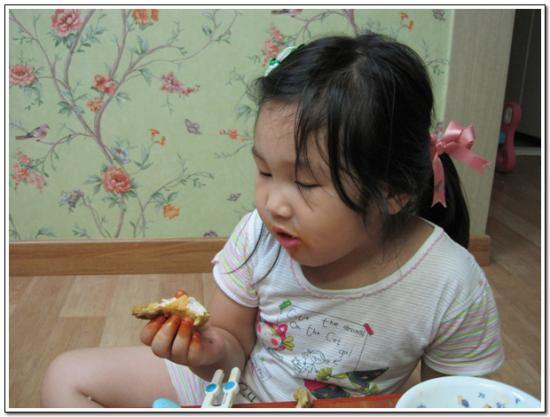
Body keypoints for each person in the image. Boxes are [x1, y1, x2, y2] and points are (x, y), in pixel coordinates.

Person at [41, 33, 504, 408]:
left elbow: (454, 401)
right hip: (239, 391)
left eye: (305, 183)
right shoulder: (258, 238)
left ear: (392, 191)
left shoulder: (450, 283)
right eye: (264, 171)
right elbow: (232, 350)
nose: (273, 204)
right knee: (66, 377)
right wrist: (206, 351)